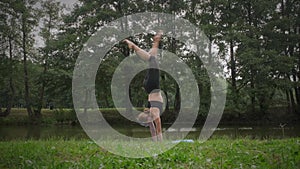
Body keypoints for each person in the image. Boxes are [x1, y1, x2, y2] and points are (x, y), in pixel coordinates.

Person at [123, 31, 163, 141]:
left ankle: (134, 46)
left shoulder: (153, 112)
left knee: (152, 60)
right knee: (152, 58)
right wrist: (158, 143)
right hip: (149, 87)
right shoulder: (152, 113)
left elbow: (158, 130)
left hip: (152, 86)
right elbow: (154, 130)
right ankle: (156, 41)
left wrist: (161, 143)